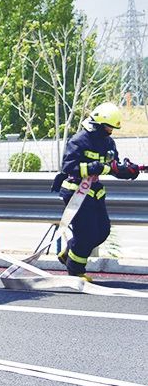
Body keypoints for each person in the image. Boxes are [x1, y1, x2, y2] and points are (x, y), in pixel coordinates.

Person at [53, 102, 140, 281]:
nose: (110, 132)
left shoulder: (108, 142)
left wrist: (128, 172)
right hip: (76, 192)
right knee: (86, 233)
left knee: (102, 231)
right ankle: (75, 270)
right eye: (108, 128)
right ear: (98, 124)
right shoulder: (79, 140)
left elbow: (112, 166)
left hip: (95, 193)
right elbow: (69, 167)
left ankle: (70, 251)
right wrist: (92, 167)